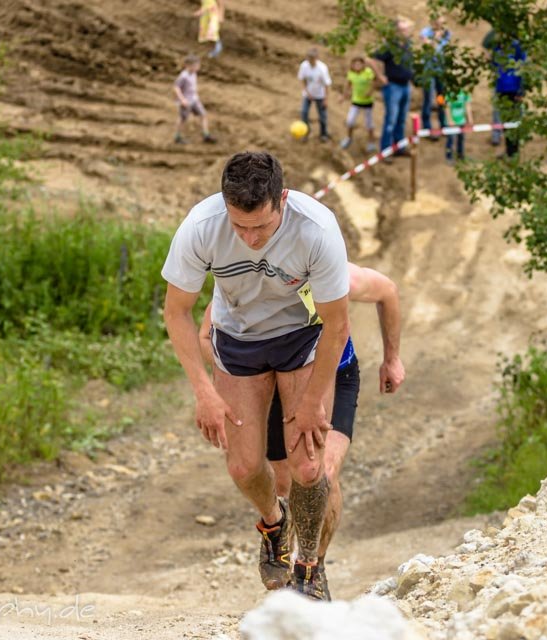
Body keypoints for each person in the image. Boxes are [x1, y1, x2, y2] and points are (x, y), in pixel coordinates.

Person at [162, 151, 351, 600]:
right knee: (244, 465)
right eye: (239, 226)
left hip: (298, 336)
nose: (249, 238)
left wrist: (312, 402)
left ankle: (309, 568)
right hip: (237, 340)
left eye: (261, 227)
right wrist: (204, 391)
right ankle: (273, 524)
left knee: (307, 466)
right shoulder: (201, 226)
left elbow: (338, 325)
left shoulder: (316, 228)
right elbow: (176, 312)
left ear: (281, 200)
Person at [197, 262, 405, 600]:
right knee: (284, 482)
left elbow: (388, 292)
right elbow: (207, 334)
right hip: (277, 383)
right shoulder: (250, 282)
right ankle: (280, 541)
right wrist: (232, 379)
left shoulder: (339, 274)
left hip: (336, 378)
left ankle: (311, 570)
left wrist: (392, 359)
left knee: (321, 471)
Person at [368, 18, 414, 156]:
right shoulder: (389, 46)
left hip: (406, 85)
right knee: (391, 119)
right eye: (402, 30)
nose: (406, 32)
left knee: (401, 119)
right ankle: (386, 150)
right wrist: (380, 76)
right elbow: (371, 59)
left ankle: (399, 146)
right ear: (396, 31)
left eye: (406, 29)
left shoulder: (407, 44)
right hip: (393, 86)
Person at [483, 30, 526, 158]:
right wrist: (488, 60)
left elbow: (523, 67)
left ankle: (514, 153)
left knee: (514, 121)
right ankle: (509, 152)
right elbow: (495, 65)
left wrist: (521, 90)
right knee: (506, 122)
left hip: (514, 88)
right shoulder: (497, 48)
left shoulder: (516, 47)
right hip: (501, 89)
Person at [419, 15, 451, 141]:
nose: (440, 25)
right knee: (428, 99)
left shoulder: (446, 34)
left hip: (441, 71)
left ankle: (443, 124)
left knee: (441, 98)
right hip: (428, 71)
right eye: (438, 22)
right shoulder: (425, 32)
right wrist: (436, 38)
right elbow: (429, 47)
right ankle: (427, 128)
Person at [173, 54, 217, 145]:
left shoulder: (194, 73)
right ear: (188, 65)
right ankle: (177, 136)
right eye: (196, 65)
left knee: (203, 115)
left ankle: (206, 135)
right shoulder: (183, 76)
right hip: (186, 101)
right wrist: (182, 100)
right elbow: (176, 88)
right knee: (183, 119)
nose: (198, 67)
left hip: (194, 100)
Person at [339, 56, 377, 152]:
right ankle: (348, 138)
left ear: (363, 64)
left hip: (367, 101)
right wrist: (344, 96)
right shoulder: (351, 74)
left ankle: (371, 142)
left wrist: (370, 92)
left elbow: (373, 82)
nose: (357, 66)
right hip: (356, 101)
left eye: (359, 64)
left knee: (369, 123)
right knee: (350, 120)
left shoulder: (368, 72)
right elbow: (348, 85)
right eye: (355, 64)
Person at [298, 48, 333, 142]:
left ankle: (323, 134)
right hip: (308, 94)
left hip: (320, 95)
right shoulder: (304, 66)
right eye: (309, 57)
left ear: (317, 58)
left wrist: (326, 99)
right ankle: (305, 132)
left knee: (322, 116)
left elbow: (327, 84)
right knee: (304, 113)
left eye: (312, 58)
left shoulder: (322, 68)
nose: (310, 60)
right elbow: (302, 79)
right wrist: (307, 92)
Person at [445, 88, 472, 163]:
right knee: (451, 139)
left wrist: (469, 119)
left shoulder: (465, 92)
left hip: (461, 120)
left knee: (461, 138)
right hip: (452, 122)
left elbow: (467, 105)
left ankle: (461, 155)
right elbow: (447, 107)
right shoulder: (449, 92)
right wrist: (450, 120)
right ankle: (449, 156)